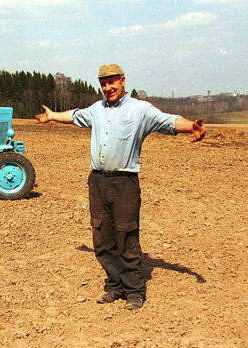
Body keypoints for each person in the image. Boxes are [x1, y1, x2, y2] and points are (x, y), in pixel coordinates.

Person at [35, 64, 206, 310]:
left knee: (126, 237)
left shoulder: (140, 110)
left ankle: (135, 291)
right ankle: (114, 286)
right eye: (103, 84)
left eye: (112, 82)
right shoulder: (97, 109)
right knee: (102, 237)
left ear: (123, 81)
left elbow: (168, 121)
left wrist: (191, 126)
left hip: (125, 183)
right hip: (97, 181)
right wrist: (52, 116)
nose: (107, 88)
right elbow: (75, 115)